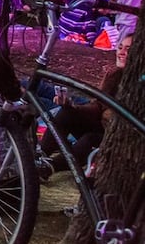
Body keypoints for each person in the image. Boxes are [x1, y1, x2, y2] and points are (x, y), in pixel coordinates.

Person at [40, 33, 131, 173]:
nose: (122, 52)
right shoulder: (113, 75)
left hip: (119, 138)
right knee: (66, 112)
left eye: (128, 49)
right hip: (102, 126)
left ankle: (49, 167)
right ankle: (40, 155)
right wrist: (71, 107)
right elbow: (97, 106)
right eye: (120, 47)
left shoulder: (139, 86)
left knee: (90, 139)